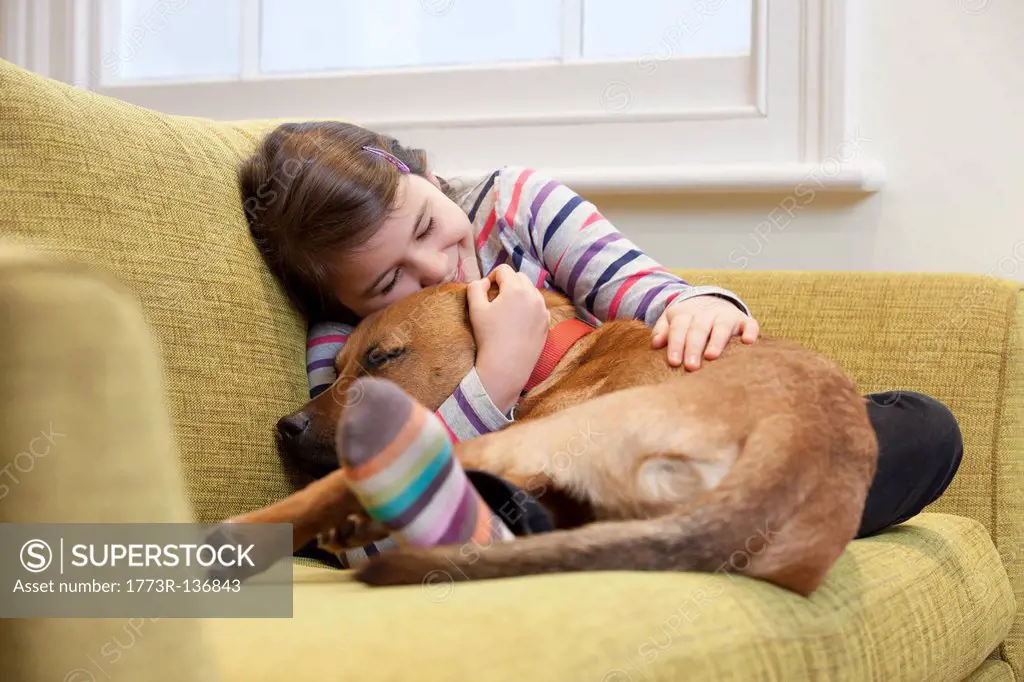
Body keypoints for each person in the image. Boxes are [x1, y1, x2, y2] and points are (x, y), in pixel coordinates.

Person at [239, 121, 962, 567]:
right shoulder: (347, 335)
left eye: (428, 228)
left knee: (921, 423)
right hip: (547, 480)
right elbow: (360, 494)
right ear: (342, 299)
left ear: (432, 180)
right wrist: (496, 376)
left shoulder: (517, 207)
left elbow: (652, 295)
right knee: (424, 510)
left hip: (712, 432)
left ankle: (734, 516)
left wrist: (703, 305)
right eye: (389, 279)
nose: (435, 269)